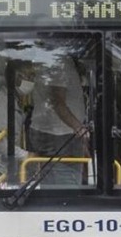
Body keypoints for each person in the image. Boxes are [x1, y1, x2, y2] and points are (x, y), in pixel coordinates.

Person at [28, 55, 88, 185]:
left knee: (52, 185)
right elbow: (57, 102)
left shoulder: (49, 61)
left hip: (58, 134)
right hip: (59, 137)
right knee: (65, 187)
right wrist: (80, 128)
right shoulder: (61, 62)